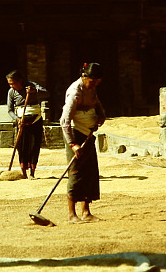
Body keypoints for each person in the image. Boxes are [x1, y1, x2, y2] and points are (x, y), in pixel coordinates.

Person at [60, 62, 106, 223]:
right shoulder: (74, 93)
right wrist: (73, 144)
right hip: (75, 134)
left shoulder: (91, 87)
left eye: (97, 82)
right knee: (76, 173)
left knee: (90, 173)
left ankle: (86, 212)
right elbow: (64, 121)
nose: (94, 84)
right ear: (84, 76)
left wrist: (101, 115)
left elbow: (97, 103)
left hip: (89, 134)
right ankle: (72, 214)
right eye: (92, 81)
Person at [6, 70, 50, 179]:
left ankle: (32, 172)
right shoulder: (11, 92)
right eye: (9, 84)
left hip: (36, 119)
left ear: (19, 81)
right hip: (22, 121)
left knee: (34, 145)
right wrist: (17, 119)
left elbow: (47, 93)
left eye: (12, 83)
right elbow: (10, 110)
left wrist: (35, 91)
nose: (11, 86)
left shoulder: (31, 86)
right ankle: (24, 172)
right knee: (22, 147)